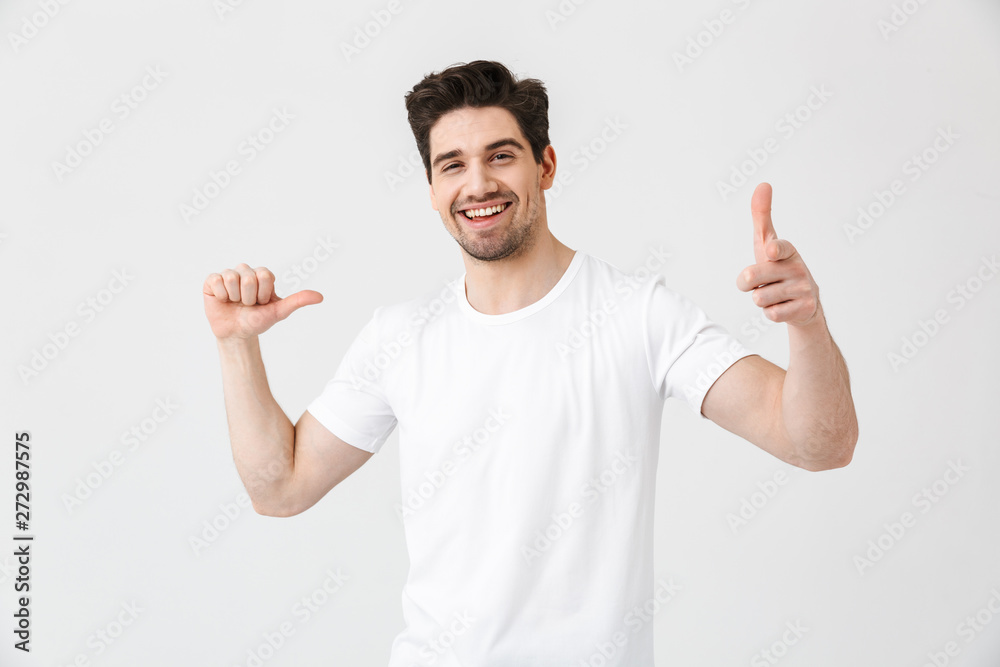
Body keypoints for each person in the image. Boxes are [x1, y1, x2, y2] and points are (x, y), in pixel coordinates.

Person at [202, 60, 858, 666]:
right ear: (431, 187)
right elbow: (279, 488)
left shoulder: (639, 316)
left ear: (545, 166)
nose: (478, 183)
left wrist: (806, 323)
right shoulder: (399, 337)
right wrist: (237, 344)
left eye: (501, 155)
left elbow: (817, 443)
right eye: (452, 164)